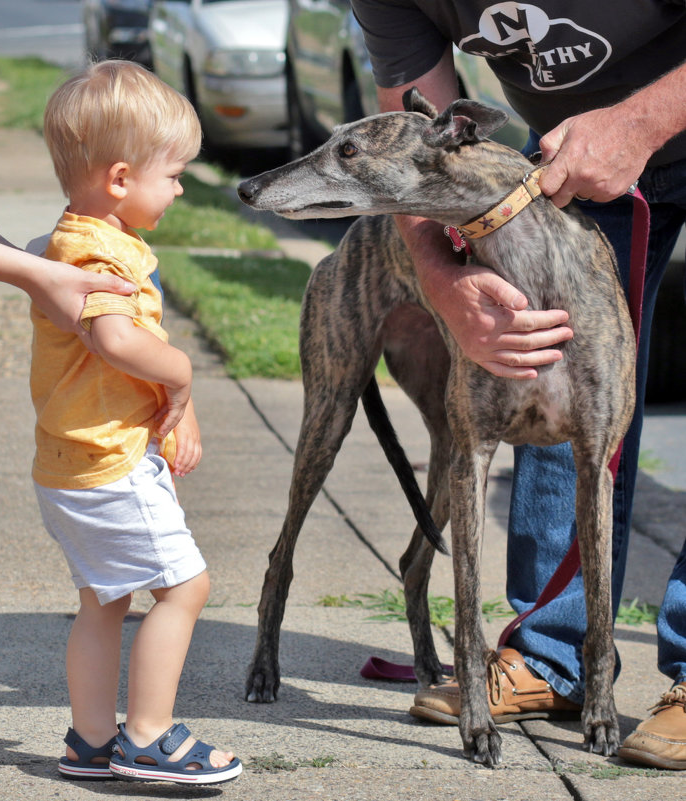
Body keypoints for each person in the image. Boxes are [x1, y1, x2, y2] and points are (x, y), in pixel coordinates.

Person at [351, 0, 686, 769]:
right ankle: (552, 652)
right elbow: (411, 154)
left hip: (636, 118)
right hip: (574, 156)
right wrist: (444, 279)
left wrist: (637, 122)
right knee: (534, 358)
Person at [31, 59, 241, 785]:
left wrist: (176, 410)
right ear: (120, 179)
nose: (181, 188)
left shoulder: (76, 237)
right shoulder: (92, 254)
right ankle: (148, 735)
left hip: (76, 460)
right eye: (176, 174)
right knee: (185, 588)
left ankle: (90, 740)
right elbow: (116, 341)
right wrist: (182, 371)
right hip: (109, 464)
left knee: (103, 598)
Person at [0, 218, 136, 344]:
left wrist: (32, 267)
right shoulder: (107, 259)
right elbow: (117, 341)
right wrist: (36, 272)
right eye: (162, 177)